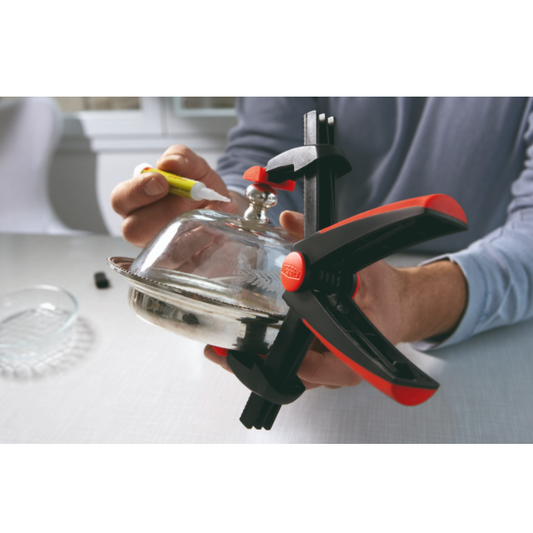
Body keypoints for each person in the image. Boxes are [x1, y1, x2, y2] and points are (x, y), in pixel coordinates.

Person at [111, 97, 533, 391]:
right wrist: (232, 223)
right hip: (293, 271)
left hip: (490, 328)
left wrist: (412, 300)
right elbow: (265, 148)